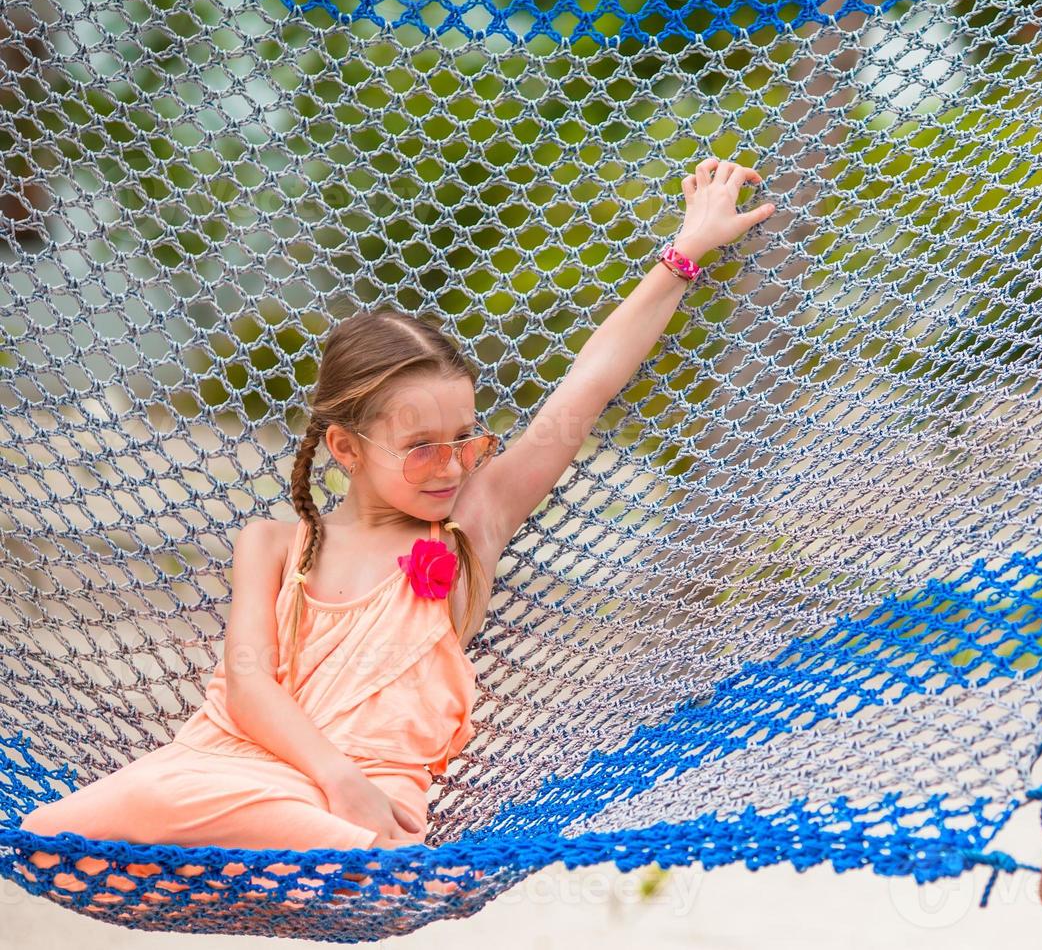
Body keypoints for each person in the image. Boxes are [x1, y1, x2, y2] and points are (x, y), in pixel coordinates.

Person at [19, 157, 776, 903]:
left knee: (247, 827)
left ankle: (352, 860)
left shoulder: (470, 528)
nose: (452, 466)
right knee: (47, 835)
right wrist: (333, 782)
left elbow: (587, 383)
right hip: (242, 773)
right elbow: (249, 685)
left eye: (466, 438)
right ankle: (348, 857)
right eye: (421, 449)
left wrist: (686, 252)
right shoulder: (275, 545)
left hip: (373, 800)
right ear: (345, 447)